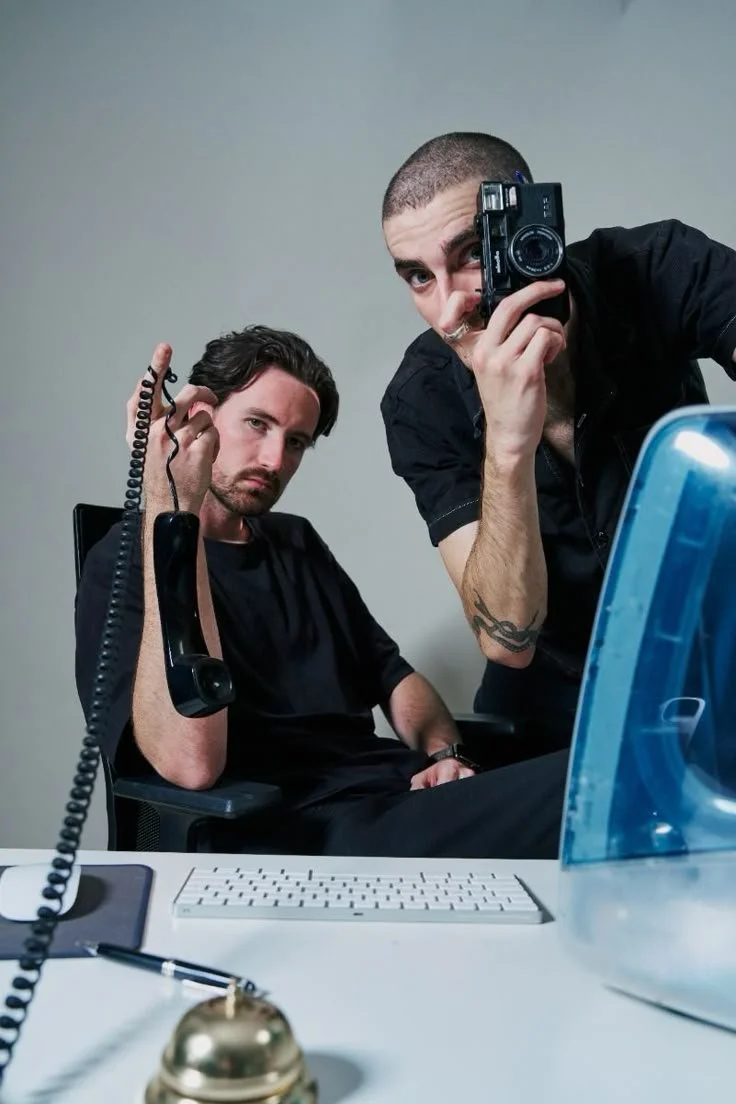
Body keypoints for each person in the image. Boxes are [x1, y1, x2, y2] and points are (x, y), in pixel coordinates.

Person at [75, 324, 568, 858]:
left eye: (295, 442)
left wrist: (445, 756)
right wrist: (175, 511)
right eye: (257, 424)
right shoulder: (123, 561)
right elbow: (191, 765)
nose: (274, 460)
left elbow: (394, 676)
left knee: (592, 774)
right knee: (604, 782)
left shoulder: (296, 541)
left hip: (394, 796)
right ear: (201, 416)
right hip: (303, 827)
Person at [380, 131, 736, 751]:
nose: (447, 312)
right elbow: (506, 639)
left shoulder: (652, 269)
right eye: (417, 276)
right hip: (556, 719)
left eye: (469, 255)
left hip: (709, 670)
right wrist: (509, 445)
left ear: (526, 222)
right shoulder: (421, 400)